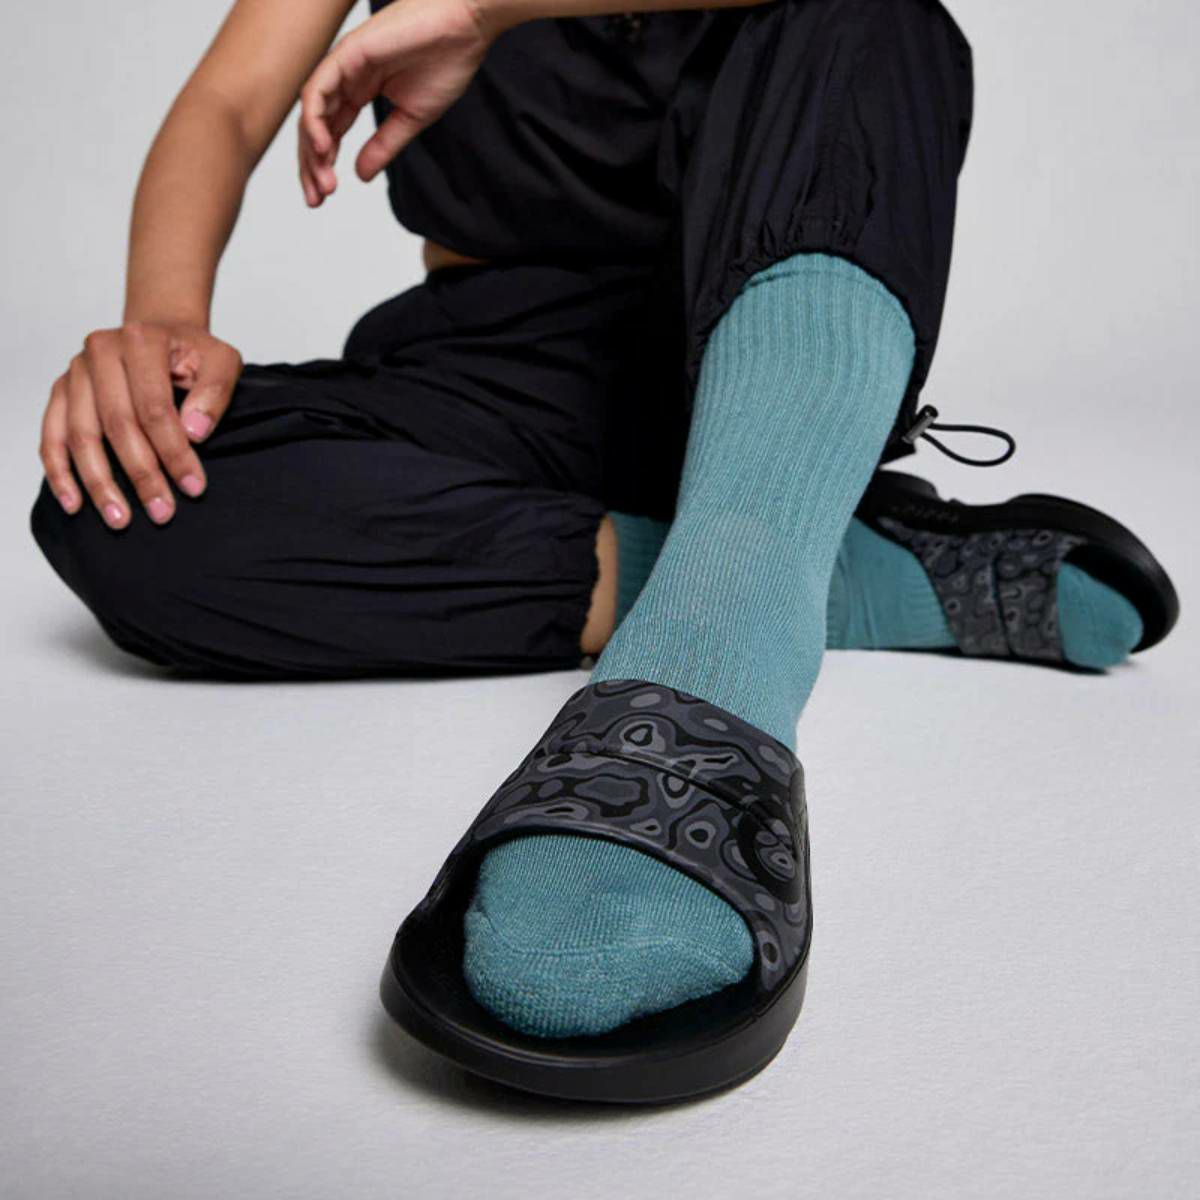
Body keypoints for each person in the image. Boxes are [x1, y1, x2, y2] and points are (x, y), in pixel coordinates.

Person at [30, 0, 1177, 1098]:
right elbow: (229, 101)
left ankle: (728, 626)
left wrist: (486, 9)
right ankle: (804, 566)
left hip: (750, 354)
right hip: (497, 371)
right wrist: (161, 322)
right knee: (124, 495)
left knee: (867, 18)